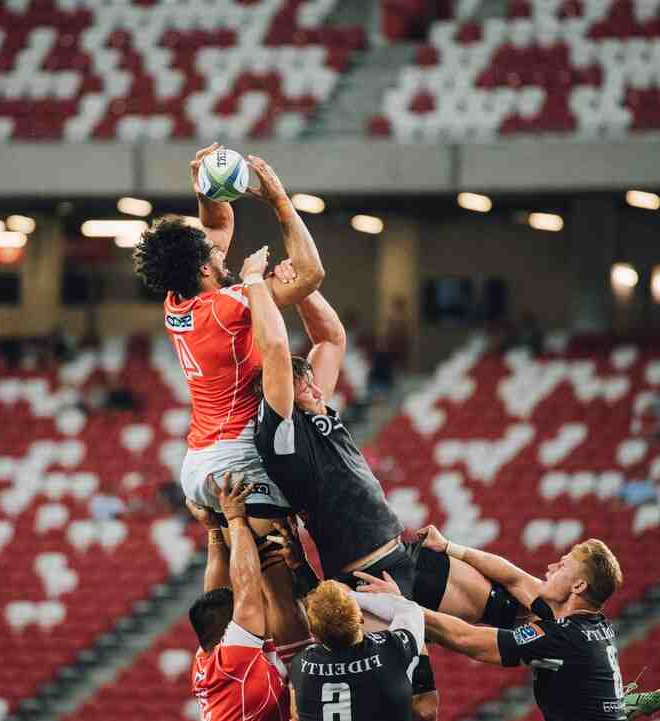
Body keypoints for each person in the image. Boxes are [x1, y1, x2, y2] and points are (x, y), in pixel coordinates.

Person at [246, 259, 527, 629]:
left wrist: (301, 288)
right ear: (284, 398)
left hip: (403, 554)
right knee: (402, 666)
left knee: (513, 613)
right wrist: (255, 282)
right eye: (304, 388)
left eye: (313, 383)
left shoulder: (315, 408)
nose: (317, 390)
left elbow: (331, 339)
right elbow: (276, 351)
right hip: (363, 580)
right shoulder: (282, 435)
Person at [133, 143, 324, 523]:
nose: (223, 251)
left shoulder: (176, 300)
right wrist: (280, 202)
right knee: (280, 553)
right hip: (236, 457)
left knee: (229, 546)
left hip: (199, 460)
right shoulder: (229, 305)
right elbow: (310, 274)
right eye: (214, 253)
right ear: (205, 269)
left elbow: (218, 227)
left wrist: (205, 189)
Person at [369, 526, 660, 721]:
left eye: (562, 566)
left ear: (578, 586)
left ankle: (622, 706)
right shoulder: (587, 621)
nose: (551, 566)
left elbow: (469, 640)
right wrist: (449, 547)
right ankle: (622, 705)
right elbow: (514, 578)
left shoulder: (561, 636)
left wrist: (402, 606)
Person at [189, 472, 291, 721]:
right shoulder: (230, 660)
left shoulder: (214, 656)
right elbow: (247, 585)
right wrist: (234, 518)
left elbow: (216, 596)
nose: (245, 609)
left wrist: (215, 529)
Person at [290, 580, 437, 721]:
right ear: (360, 618)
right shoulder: (392, 648)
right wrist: (353, 595)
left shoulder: (300, 665)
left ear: (314, 633)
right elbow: (409, 609)